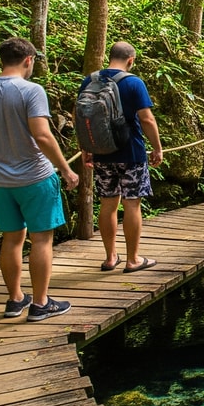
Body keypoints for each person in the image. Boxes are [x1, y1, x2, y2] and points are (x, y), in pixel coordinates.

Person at [0, 37, 80, 321]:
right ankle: (41, 303)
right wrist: (65, 168)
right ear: (28, 60)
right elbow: (41, 135)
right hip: (36, 177)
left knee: (12, 239)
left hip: (2, 181)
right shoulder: (32, 90)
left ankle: (15, 299)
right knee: (41, 239)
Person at [79, 41, 163, 273]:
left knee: (108, 204)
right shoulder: (133, 82)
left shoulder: (90, 80)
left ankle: (109, 257)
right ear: (131, 60)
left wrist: (87, 148)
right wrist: (157, 147)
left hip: (102, 152)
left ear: (110, 56)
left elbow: (83, 117)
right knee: (132, 204)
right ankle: (133, 259)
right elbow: (146, 119)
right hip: (131, 152)